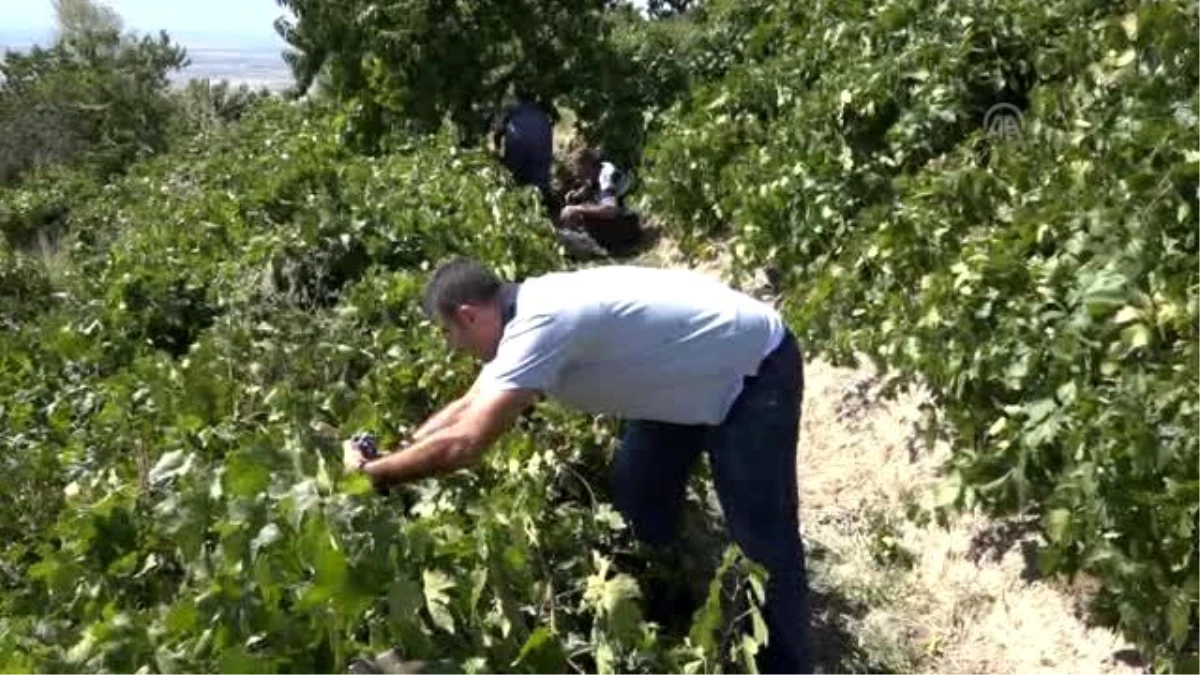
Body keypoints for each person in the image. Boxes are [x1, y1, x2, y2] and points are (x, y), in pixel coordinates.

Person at [343, 258, 813, 675]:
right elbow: (467, 406)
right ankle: (673, 607)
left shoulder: (542, 322)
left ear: (468, 315)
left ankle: (786, 665)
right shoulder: (523, 312)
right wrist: (397, 451)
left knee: (762, 540)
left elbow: (467, 442)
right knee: (638, 498)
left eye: (448, 333)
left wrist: (373, 478)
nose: (451, 347)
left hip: (751, 370)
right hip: (681, 375)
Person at [558, 150, 642, 255]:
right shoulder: (599, 168)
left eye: (582, 174)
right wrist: (576, 196)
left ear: (588, 166)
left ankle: (590, 245)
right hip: (625, 220)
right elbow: (590, 183)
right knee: (584, 208)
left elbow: (610, 211)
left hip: (628, 225)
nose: (581, 178)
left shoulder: (606, 177)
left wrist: (577, 209)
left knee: (584, 213)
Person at [490, 95, 554, 203]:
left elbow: (498, 133)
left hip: (517, 148)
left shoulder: (513, 112)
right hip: (540, 149)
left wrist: (497, 149)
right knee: (539, 179)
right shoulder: (542, 115)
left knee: (514, 177)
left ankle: (516, 203)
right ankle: (542, 201)